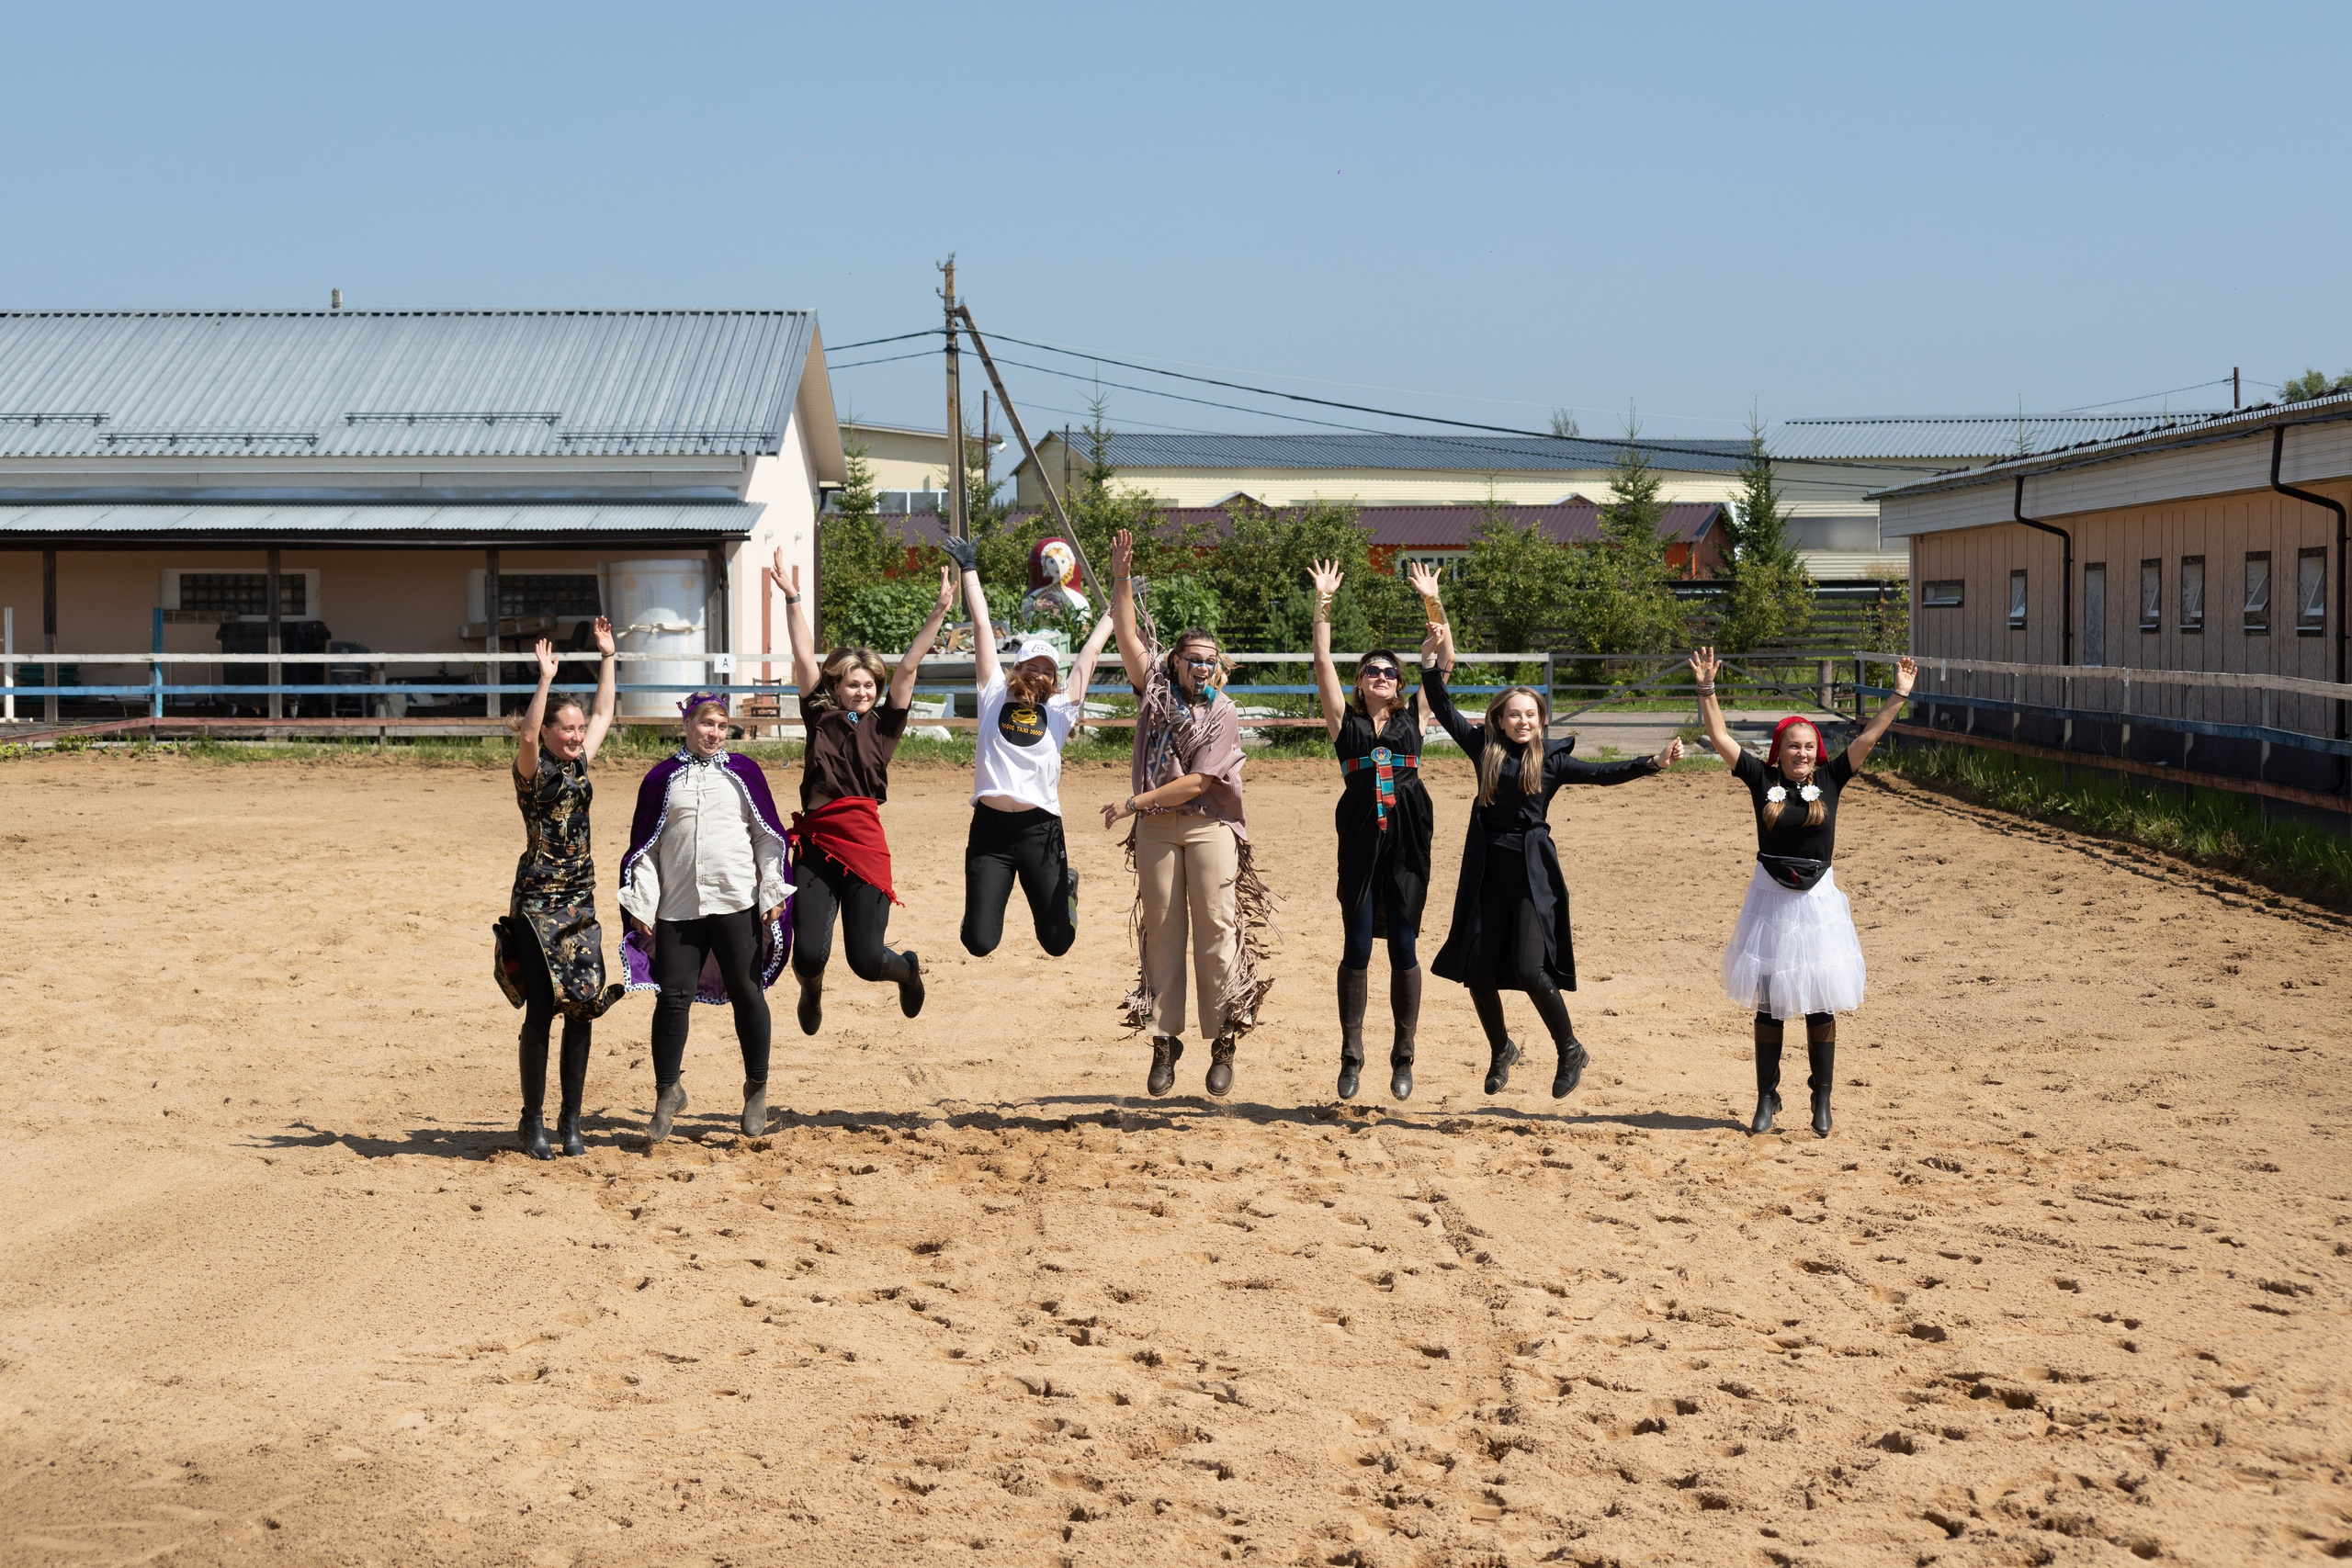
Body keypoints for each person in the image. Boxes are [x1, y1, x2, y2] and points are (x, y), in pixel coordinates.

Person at [1423, 625, 1683, 1100]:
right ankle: (1502, 1048)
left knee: (1528, 969)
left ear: (1541, 720)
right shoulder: (1483, 748)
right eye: (1514, 714)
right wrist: (1429, 663)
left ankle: (1570, 1050)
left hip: (1529, 876)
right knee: (1477, 974)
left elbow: (1604, 774)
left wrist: (1653, 761)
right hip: (1485, 876)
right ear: (1499, 719)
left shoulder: (1552, 761)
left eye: (1531, 714)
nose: (1523, 721)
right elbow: (1441, 707)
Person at [1688, 647, 1917, 1137]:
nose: (1801, 754)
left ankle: (1822, 1097)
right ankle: (1767, 1095)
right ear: (1778, 749)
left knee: (1819, 1000)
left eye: (1809, 746)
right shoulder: (1761, 779)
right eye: (1793, 746)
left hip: (1816, 903)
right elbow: (1719, 736)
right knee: (1770, 1001)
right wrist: (1707, 688)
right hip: (1770, 900)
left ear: (1818, 752)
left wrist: (1898, 694)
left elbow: (1870, 735)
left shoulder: (1832, 778)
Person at [1101, 527, 1274, 1100]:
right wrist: (1122, 577)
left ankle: (1223, 1039)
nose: (1202, 666)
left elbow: (1200, 781)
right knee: (1161, 932)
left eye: (1210, 660)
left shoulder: (1223, 713)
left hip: (1208, 824)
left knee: (1218, 930)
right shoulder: (1152, 690)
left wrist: (1134, 803)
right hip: (1156, 830)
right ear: (1173, 661)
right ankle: (1163, 1041)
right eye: (1192, 658)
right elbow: (1125, 631)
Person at [776, 550, 952, 1035]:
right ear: (836, 687)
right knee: (809, 953)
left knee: (866, 959)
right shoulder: (819, 712)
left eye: (869, 684)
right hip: (815, 844)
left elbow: (910, 666)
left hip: (865, 841)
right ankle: (811, 990)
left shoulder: (885, 722)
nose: (862, 691)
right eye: (853, 685)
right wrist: (793, 598)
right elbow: (801, 653)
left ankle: (907, 970)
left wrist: (937, 612)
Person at [616, 692, 794, 1143]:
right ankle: (666, 1092)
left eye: (720, 725)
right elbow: (645, 848)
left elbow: (768, 836)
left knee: (748, 993)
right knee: (672, 998)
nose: (714, 733)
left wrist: (772, 889)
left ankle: (756, 1089)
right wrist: (642, 901)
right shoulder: (661, 779)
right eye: (705, 724)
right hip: (678, 908)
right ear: (687, 725)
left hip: (736, 900)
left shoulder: (744, 774)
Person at [1306, 558, 1448, 1100]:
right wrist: (1324, 603)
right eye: (1373, 672)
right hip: (1362, 833)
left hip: (1409, 832)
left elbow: (1445, 658)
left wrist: (1432, 603)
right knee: (1359, 944)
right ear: (1360, 683)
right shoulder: (1345, 720)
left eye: (1390, 672)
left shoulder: (1416, 714)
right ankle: (1351, 1053)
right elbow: (1322, 662)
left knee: (1406, 945)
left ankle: (1404, 1055)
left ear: (1399, 683)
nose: (1382, 677)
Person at [943, 534, 1114, 959]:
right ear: (1016, 667)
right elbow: (983, 626)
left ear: (1053, 678)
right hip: (991, 832)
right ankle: (977, 907)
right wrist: (969, 569)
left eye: (1047, 669)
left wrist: (1118, 604)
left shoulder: (1059, 711)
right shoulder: (992, 694)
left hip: (1041, 831)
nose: (1039, 673)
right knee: (979, 942)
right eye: (1031, 666)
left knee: (1058, 942)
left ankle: (1067, 888)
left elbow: (1090, 654)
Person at [496, 623, 627, 1159]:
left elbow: (604, 715)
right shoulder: (533, 771)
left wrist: (609, 658)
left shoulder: (580, 763)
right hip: (536, 903)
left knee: (584, 1005)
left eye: (577, 730)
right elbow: (525, 737)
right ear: (549, 731)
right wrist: (545, 680)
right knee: (544, 1006)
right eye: (565, 729)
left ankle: (571, 1120)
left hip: (581, 897)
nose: (575, 736)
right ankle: (533, 1122)